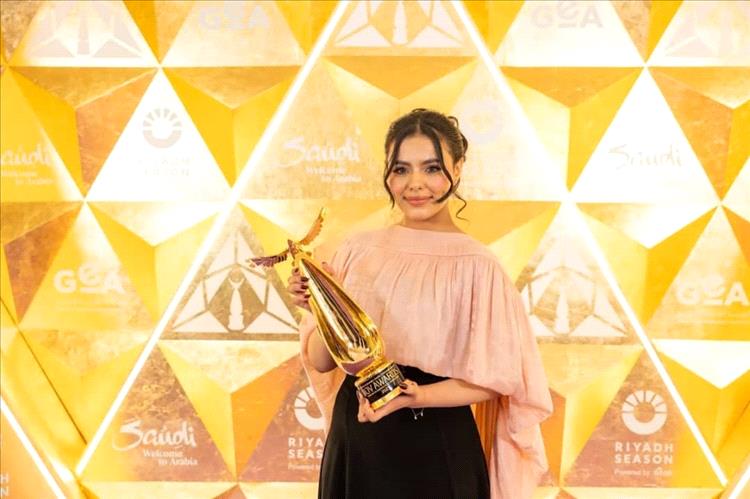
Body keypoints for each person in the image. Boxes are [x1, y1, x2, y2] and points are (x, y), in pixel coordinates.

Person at [287, 108, 553, 499]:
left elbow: (498, 378)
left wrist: (417, 396)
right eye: (401, 169)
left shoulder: (478, 265)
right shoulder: (356, 250)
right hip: (358, 438)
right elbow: (323, 361)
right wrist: (325, 308)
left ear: (457, 169)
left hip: (436, 441)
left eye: (431, 168)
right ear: (387, 173)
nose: (415, 184)